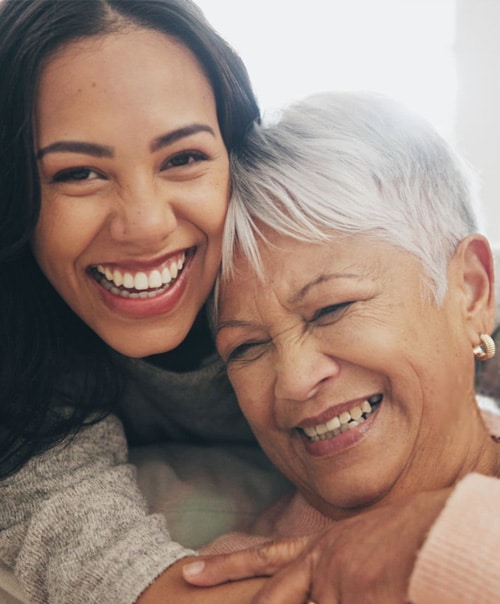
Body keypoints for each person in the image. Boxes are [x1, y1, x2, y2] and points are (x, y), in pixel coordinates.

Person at [0, 1, 285, 603]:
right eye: (78, 173)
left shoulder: (325, 248)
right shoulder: (23, 322)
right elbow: (65, 518)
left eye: (183, 159)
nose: (146, 225)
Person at [183, 92, 500, 603]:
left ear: (470, 291)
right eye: (246, 348)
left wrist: (458, 539)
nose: (293, 377)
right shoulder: (228, 585)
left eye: (331, 309)